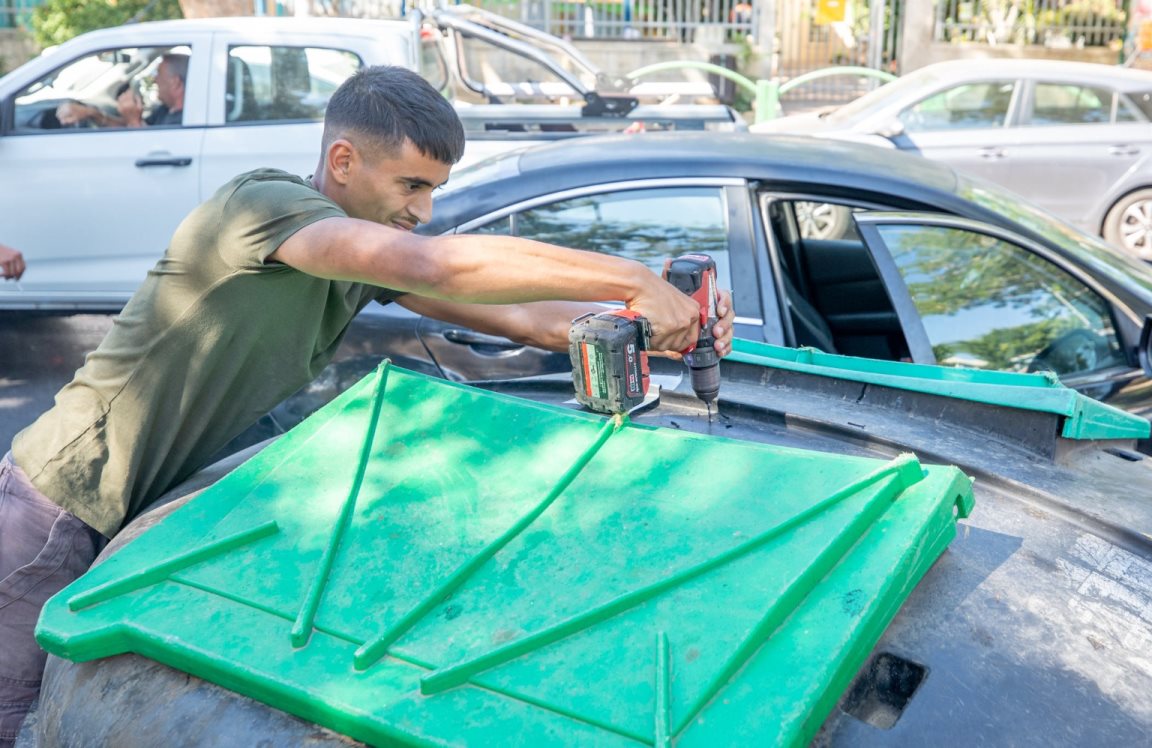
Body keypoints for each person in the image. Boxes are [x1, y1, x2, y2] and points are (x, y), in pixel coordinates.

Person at [0, 65, 734, 745]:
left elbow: (522, 317)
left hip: (151, 517)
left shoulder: (359, 252)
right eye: (411, 185)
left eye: (433, 189)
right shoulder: (266, 208)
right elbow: (431, 262)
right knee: (16, 719)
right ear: (344, 163)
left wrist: (650, 320)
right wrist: (632, 275)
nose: (424, 209)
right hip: (60, 501)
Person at [55, 53, 187, 128]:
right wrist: (92, 113)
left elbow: (150, 151)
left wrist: (134, 120)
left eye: (158, 74)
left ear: (174, 82)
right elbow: (127, 127)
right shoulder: (164, 110)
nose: (154, 80)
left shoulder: (183, 120)